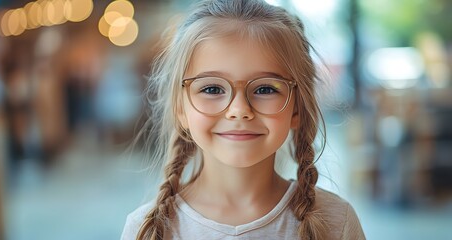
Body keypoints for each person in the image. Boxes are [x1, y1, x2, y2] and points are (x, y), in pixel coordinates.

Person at [121, 0, 365, 239]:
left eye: (265, 89)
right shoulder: (145, 230)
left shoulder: (337, 223)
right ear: (180, 108)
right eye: (213, 89)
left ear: (297, 108)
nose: (239, 110)